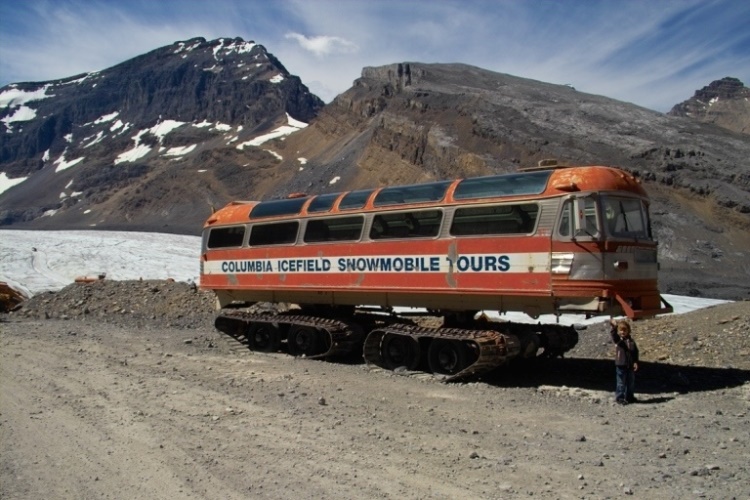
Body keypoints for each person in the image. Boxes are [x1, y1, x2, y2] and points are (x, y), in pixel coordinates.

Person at [610, 318, 639, 405]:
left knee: (630, 382)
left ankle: (629, 397)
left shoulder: (631, 341)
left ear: (628, 331)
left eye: (624, 330)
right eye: (621, 330)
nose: (622, 332)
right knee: (621, 383)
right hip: (621, 365)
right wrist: (614, 326)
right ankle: (620, 398)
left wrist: (635, 362)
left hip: (629, 366)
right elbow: (613, 335)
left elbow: (635, 352)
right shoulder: (619, 341)